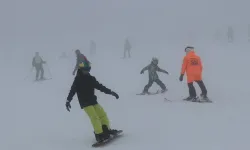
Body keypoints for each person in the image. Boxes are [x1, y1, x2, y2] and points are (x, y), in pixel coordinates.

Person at [66, 61, 120, 142]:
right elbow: (72, 90)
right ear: (81, 69)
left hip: (93, 101)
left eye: (88, 70)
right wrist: (68, 101)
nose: (87, 71)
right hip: (85, 102)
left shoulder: (91, 78)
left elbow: (100, 87)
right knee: (94, 117)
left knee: (102, 114)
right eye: (85, 70)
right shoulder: (77, 80)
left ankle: (106, 130)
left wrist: (111, 92)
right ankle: (99, 135)